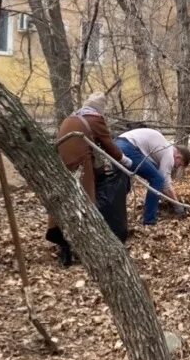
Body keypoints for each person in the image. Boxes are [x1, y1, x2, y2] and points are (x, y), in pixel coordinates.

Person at [46, 93, 131, 266]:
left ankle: (65, 251)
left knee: (66, 205)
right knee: (84, 207)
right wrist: (126, 161)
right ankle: (87, 246)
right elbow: (109, 147)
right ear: (100, 108)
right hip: (80, 167)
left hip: (62, 167)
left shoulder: (71, 118)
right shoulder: (94, 119)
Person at [116, 127, 190, 226]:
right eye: (180, 164)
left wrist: (165, 196)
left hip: (117, 144)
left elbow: (158, 178)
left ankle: (117, 215)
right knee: (158, 180)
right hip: (128, 147)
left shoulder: (162, 148)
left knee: (124, 184)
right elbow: (165, 183)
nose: (177, 167)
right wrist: (178, 205)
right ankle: (149, 221)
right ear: (179, 157)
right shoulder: (169, 153)